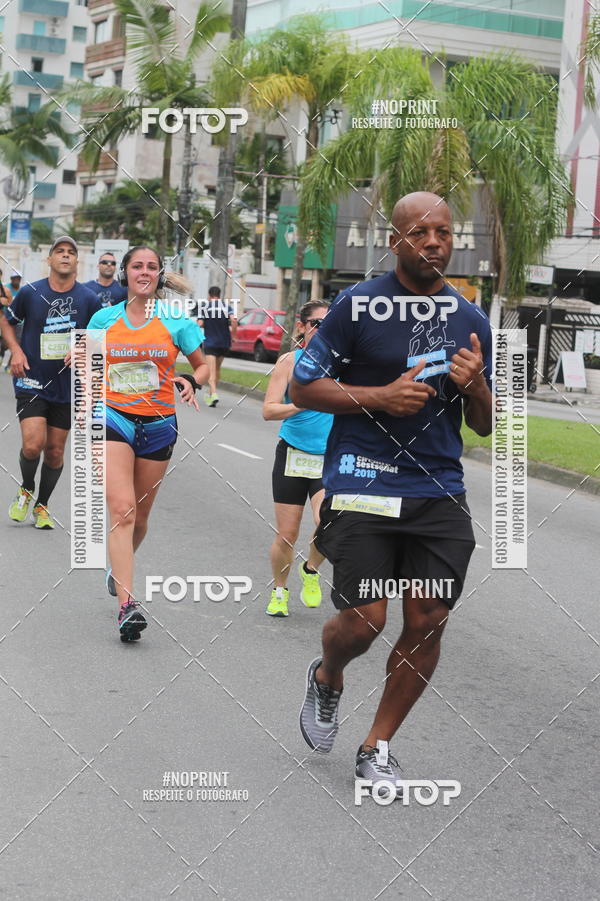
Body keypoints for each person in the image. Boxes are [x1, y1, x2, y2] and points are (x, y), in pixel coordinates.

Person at [292, 192, 493, 797]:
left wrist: (477, 385)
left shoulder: (470, 319)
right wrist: (378, 397)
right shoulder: (357, 305)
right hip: (363, 479)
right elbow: (304, 387)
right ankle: (328, 675)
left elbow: (488, 423)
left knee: (429, 619)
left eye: (444, 231)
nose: (434, 241)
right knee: (363, 620)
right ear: (397, 240)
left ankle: (377, 744)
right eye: (421, 232)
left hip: (437, 489)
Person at [87, 245, 208, 642]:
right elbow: (87, 362)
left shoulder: (175, 319)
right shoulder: (104, 319)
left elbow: (203, 365)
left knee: (139, 519)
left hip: (159, 425)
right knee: (121, 511)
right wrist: (78, 356)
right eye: (137, 266)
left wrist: (192, 380)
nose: (144, 272)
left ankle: (116, 568)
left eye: (151, 267)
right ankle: (127, 606)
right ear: (125, 273)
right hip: (114, 418)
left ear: (158, 275)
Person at [1, 237, 101, 529]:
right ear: (50, 259)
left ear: (76, 262)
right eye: (60, 252)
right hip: (32, 379)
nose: (66, 256)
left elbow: (98, 338)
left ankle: (42, 505)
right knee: (33, 445)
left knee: (55, 450)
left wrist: (84, 349)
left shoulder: (89, 299)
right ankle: (26, 487)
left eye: (71, 252)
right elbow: (7, 320)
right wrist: (16, 350)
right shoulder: (31, 292)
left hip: (70, 386)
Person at [262, 301, 333, 617]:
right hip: (293, 452)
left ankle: (311, 569)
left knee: (330, 523)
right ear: (302, 327)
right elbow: (269, 410)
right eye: (316, 323)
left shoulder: (342, 364)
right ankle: (279, 590)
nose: (322, 329)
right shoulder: (289, 363)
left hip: (329, 456)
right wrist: (301, 405)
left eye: (329, 324)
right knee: (287, 534)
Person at [197, 285, 237, 407]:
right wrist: (234, 335)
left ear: (209, 296)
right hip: (224, 343)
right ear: (219, 295)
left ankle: (213, 394)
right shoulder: (227, 307)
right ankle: (210, 395)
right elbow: (234, 320)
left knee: (211, 371)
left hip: (210, 343)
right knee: (217, 369)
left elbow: (200, 323)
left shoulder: (205, 307)